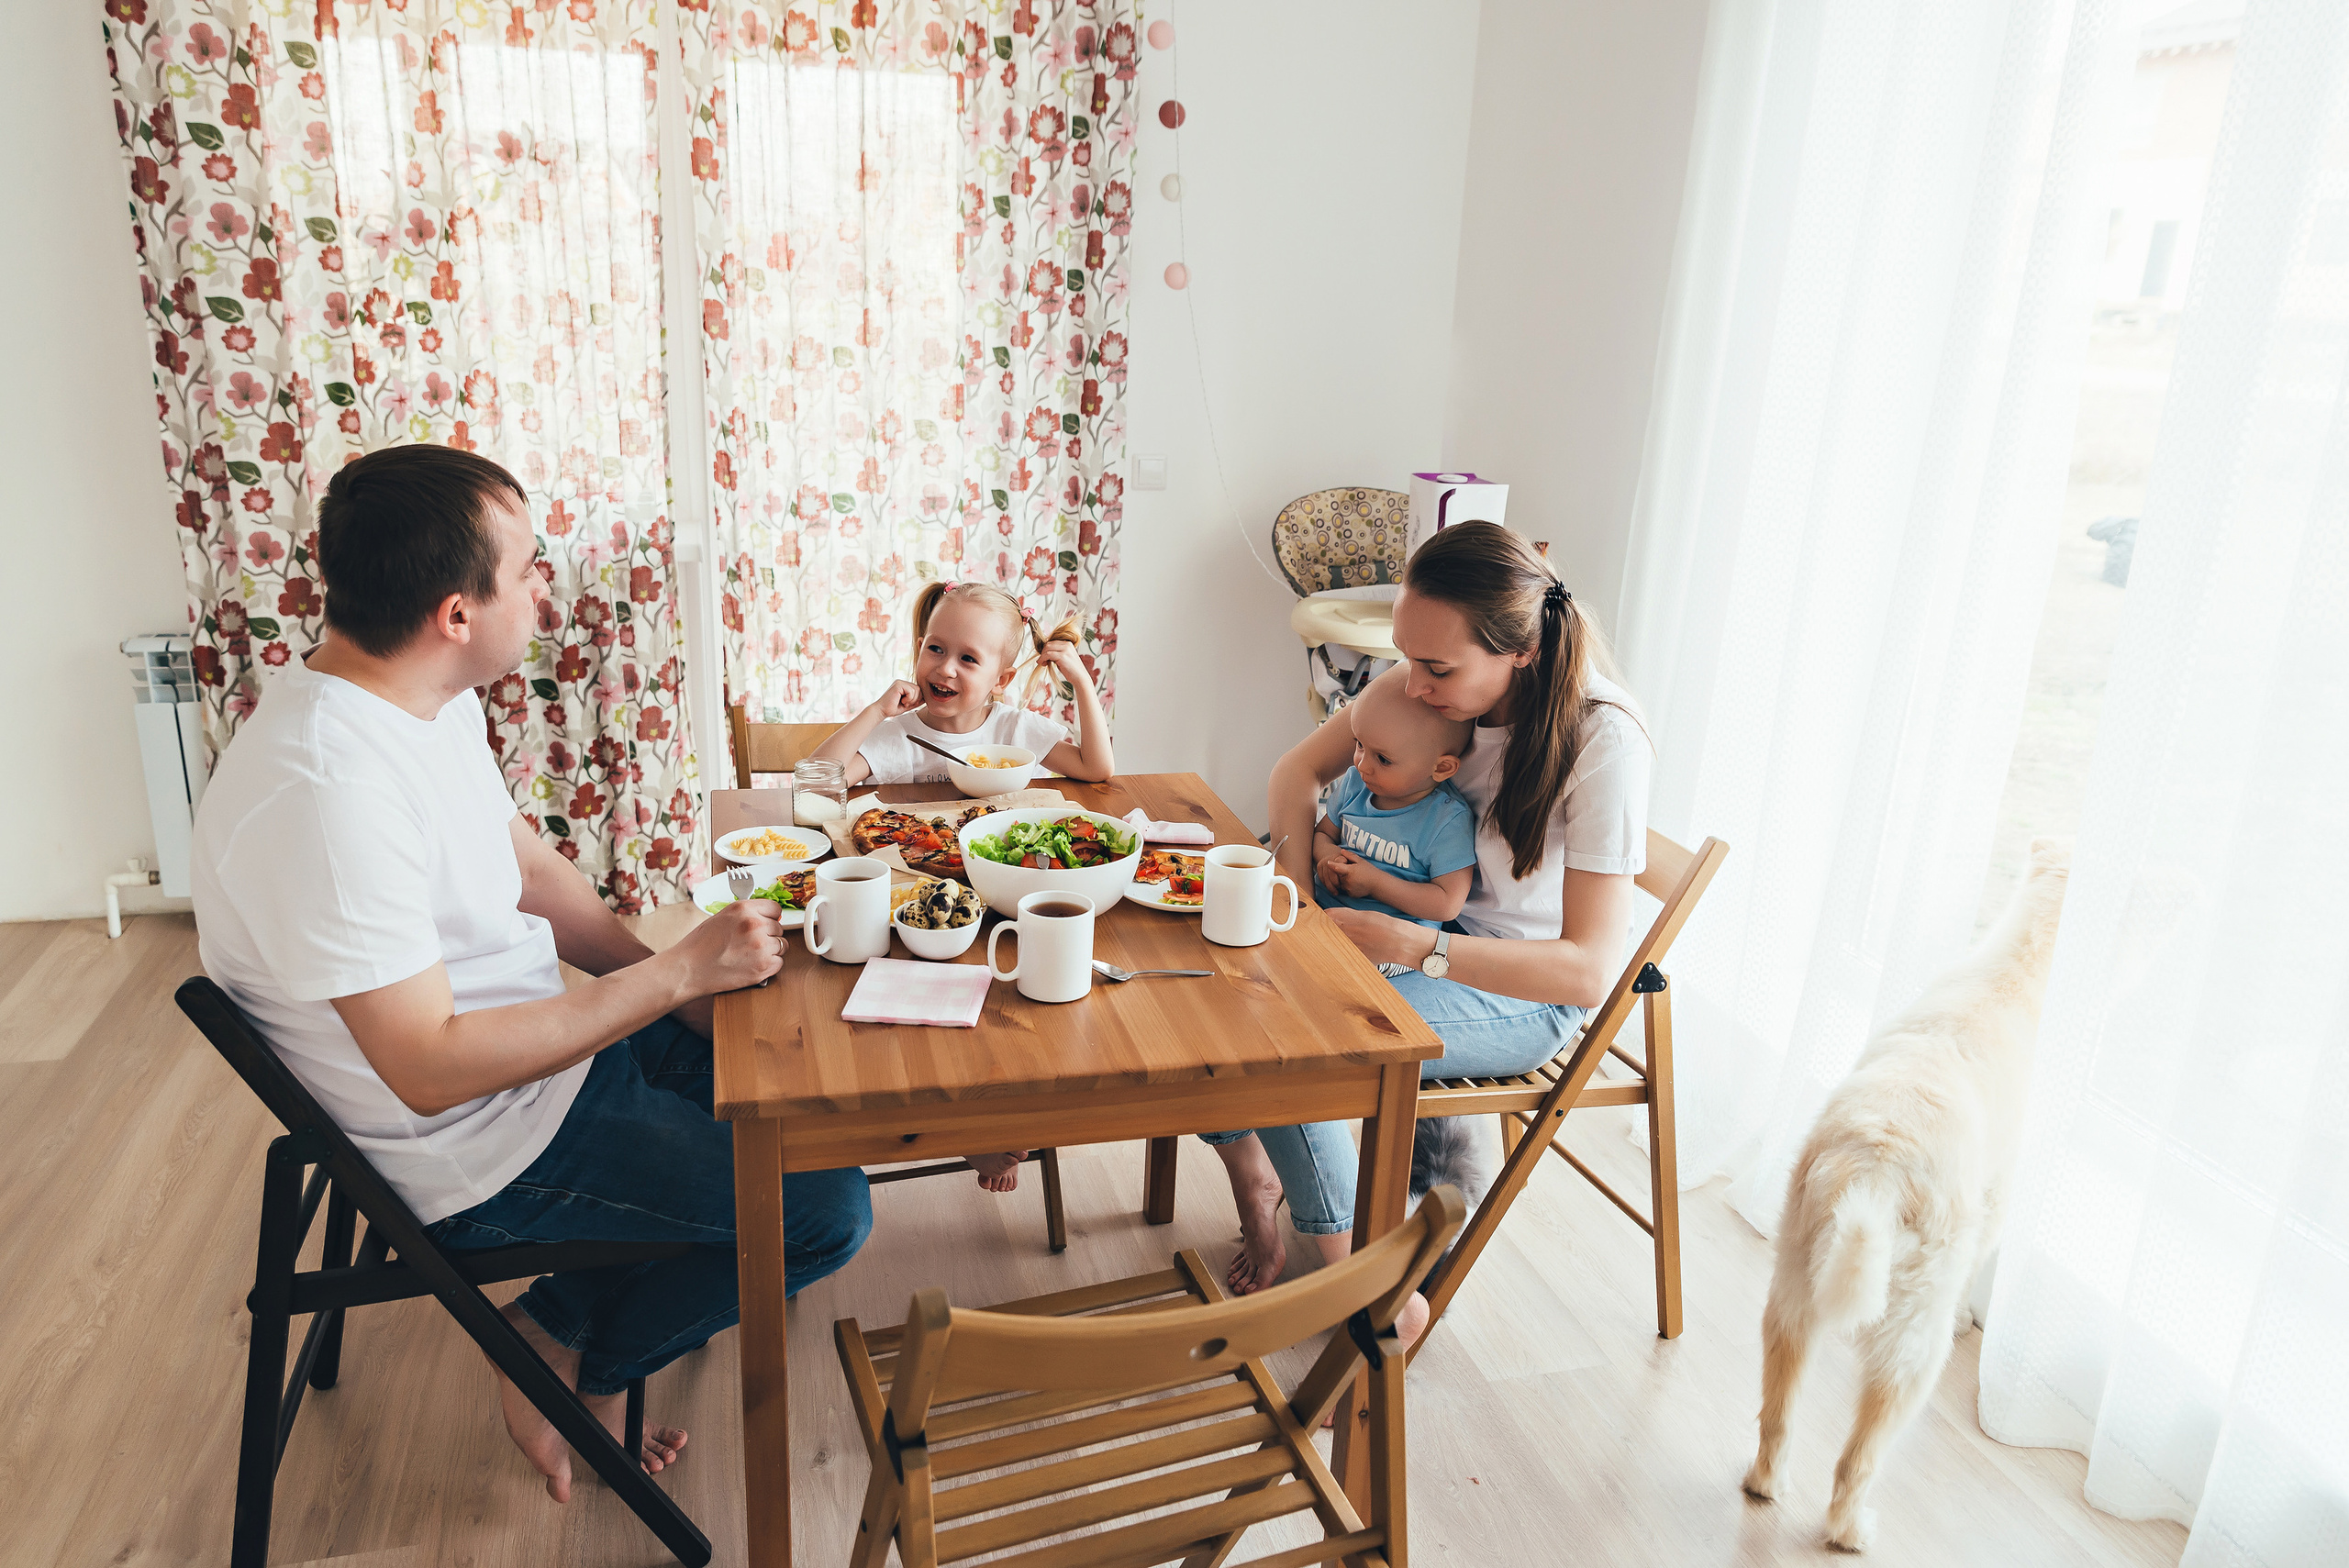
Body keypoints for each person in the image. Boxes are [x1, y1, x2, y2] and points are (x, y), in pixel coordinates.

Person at [190, 445, 873, 1506]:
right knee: (824, 1208)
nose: (549, 585)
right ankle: (566, 1352)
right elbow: (426, 1066)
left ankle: (564, 1321)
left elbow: (530, 869)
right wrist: (671, 979)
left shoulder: (418, 695)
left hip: (550, 1043)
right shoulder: (327, 792)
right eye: (531, 568)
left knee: (801, 1084)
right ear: (455, 610)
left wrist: (675, 987)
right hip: (481, 1140)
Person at [1209, 523, 1651, 1347]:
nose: (1412, 685)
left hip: (1522, 988)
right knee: (1228, 985)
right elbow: (1293, 773)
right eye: (1407, 657)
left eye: (1437, 668)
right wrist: (1305, 889)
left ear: (1519, 650)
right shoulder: (1432, 683)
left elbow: (1589, 971)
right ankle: (1265, 1182)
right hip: (1415, 936)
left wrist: (1413, 946)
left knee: (1290, 1037)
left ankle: (1377, 1298)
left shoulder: (1602, 740)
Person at [812, 581, 1115, 790]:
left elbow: (1095, 769)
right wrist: (877, 711)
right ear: (919, 648)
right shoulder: (899, 735)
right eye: (935, 649)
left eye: (968, 658)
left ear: (1001, 680)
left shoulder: (1014, 731)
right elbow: (817, 784)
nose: (945, 668)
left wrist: (1083, 684)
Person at [1307, 675, 1478, 932]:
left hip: (1391, 939)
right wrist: (1330, 858)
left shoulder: (1446, 820)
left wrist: (1376, 884)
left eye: (1383, 759)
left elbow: (1447, 904)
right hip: (1325, 911)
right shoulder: (1355, 784)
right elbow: (1322, 834)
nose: (1361, 764)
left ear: (1441, 768)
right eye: (1360, 745)